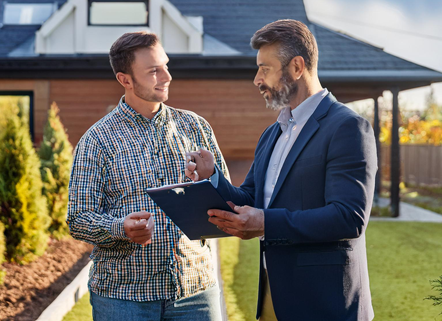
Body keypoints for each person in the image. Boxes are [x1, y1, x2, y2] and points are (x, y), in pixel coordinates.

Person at [185, 19, 376, 321]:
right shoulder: (272, 133)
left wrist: (267, 223)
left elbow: (348, 217)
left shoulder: (348, 127)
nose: (257, 79)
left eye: (265, 68)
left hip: (324, 304)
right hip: (273, 298)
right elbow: (250, 196)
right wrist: (213, 178)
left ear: (297, 67)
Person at [67, 31, 229, 321]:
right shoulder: (97, 140)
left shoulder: (196, 127)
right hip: (124, 298)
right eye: (154, 71)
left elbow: (230, 201)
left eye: (166, 66)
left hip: (196, 292)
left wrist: (212, 180)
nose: (166, 76)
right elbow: (78, 218)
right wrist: (120, 228)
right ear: (125, 80)